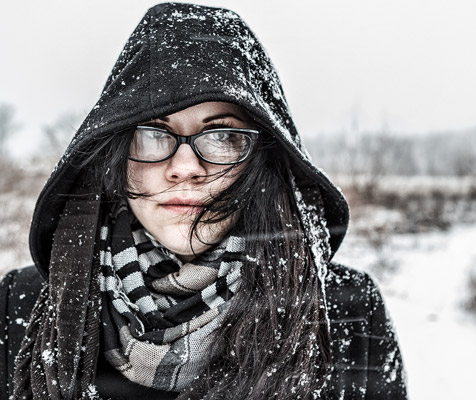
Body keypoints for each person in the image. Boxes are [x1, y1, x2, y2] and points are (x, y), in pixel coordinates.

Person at [0, 3, 407, 399]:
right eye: (154, 133)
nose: (185, 167)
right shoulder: (21, 304)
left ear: (261, 162)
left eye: (222, 136)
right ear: (117, 159)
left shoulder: (344, 313)